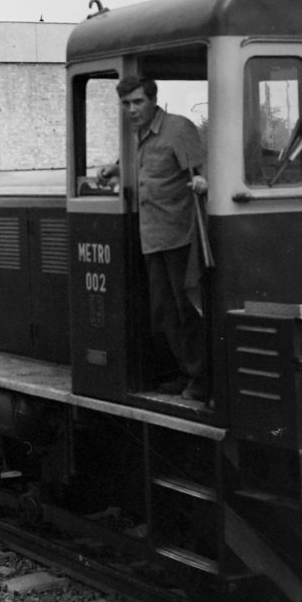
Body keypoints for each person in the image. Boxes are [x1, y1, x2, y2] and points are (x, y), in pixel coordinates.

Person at [118, 75, 209, 403]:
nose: (131, 109)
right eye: (126, 103)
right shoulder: (139, 135)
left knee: (187, 309)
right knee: (164, 311)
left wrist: (203, 182)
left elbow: (203, 171)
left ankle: (201, 379)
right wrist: (114, 171)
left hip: (180, 236)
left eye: (138, 102)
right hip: (152, 238)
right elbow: (150, 171)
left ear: (153, 100)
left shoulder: (178, 129)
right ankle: (187, 372)